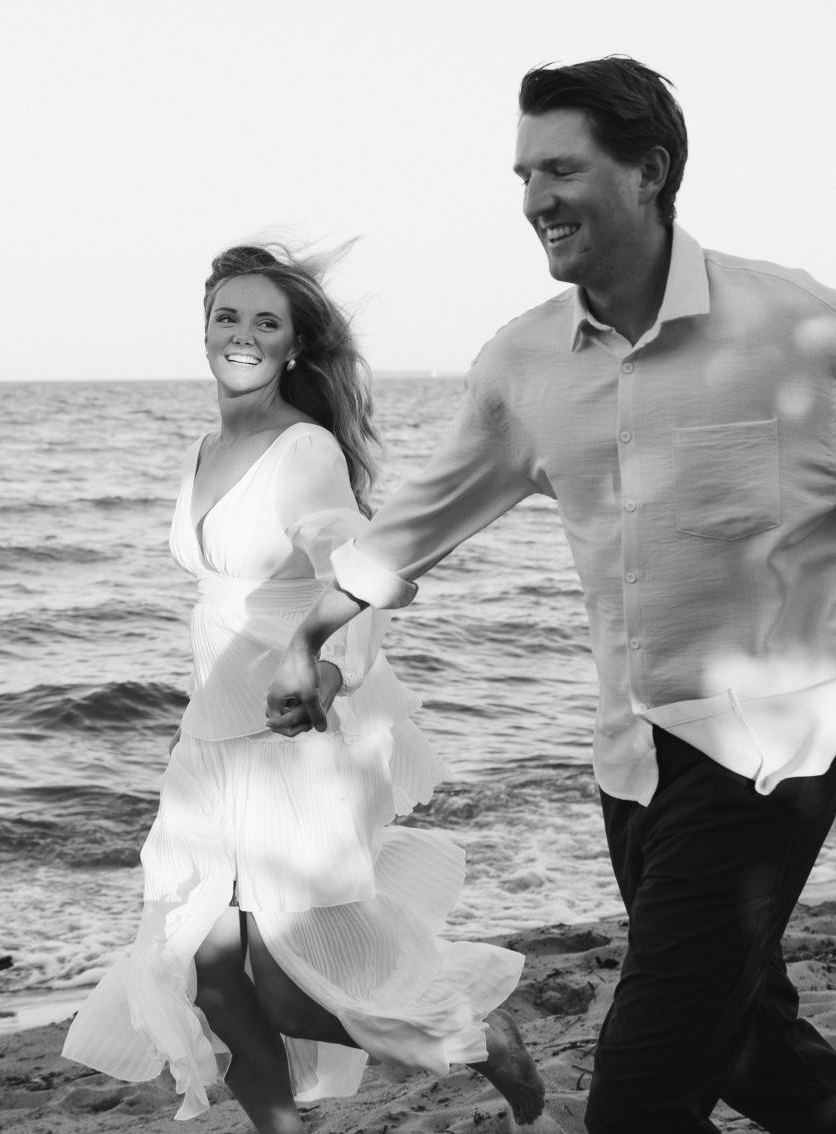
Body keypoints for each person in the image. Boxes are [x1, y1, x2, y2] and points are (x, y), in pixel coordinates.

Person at [268, 57, 836, 1133]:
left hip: (764, 758)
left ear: (650, 170)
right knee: (748, 1048)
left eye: (561, 169)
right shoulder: (524, 363)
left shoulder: (804, 336)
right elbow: (418, 520)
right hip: (630, 762)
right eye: (523, 174)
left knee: (636, 1099)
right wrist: (310, 634)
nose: (534, 199)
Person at [63, 243, 544, 1133]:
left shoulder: (304, 449)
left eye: (265, 322)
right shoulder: (206, 445)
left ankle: (483, 1041)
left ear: (292, 347)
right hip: (213, 738)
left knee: (288, 993)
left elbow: (363, 570)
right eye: (227, 317)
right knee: (208, 976)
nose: (242, 335)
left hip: (296, 740)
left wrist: (324, 665)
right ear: (204, 329)